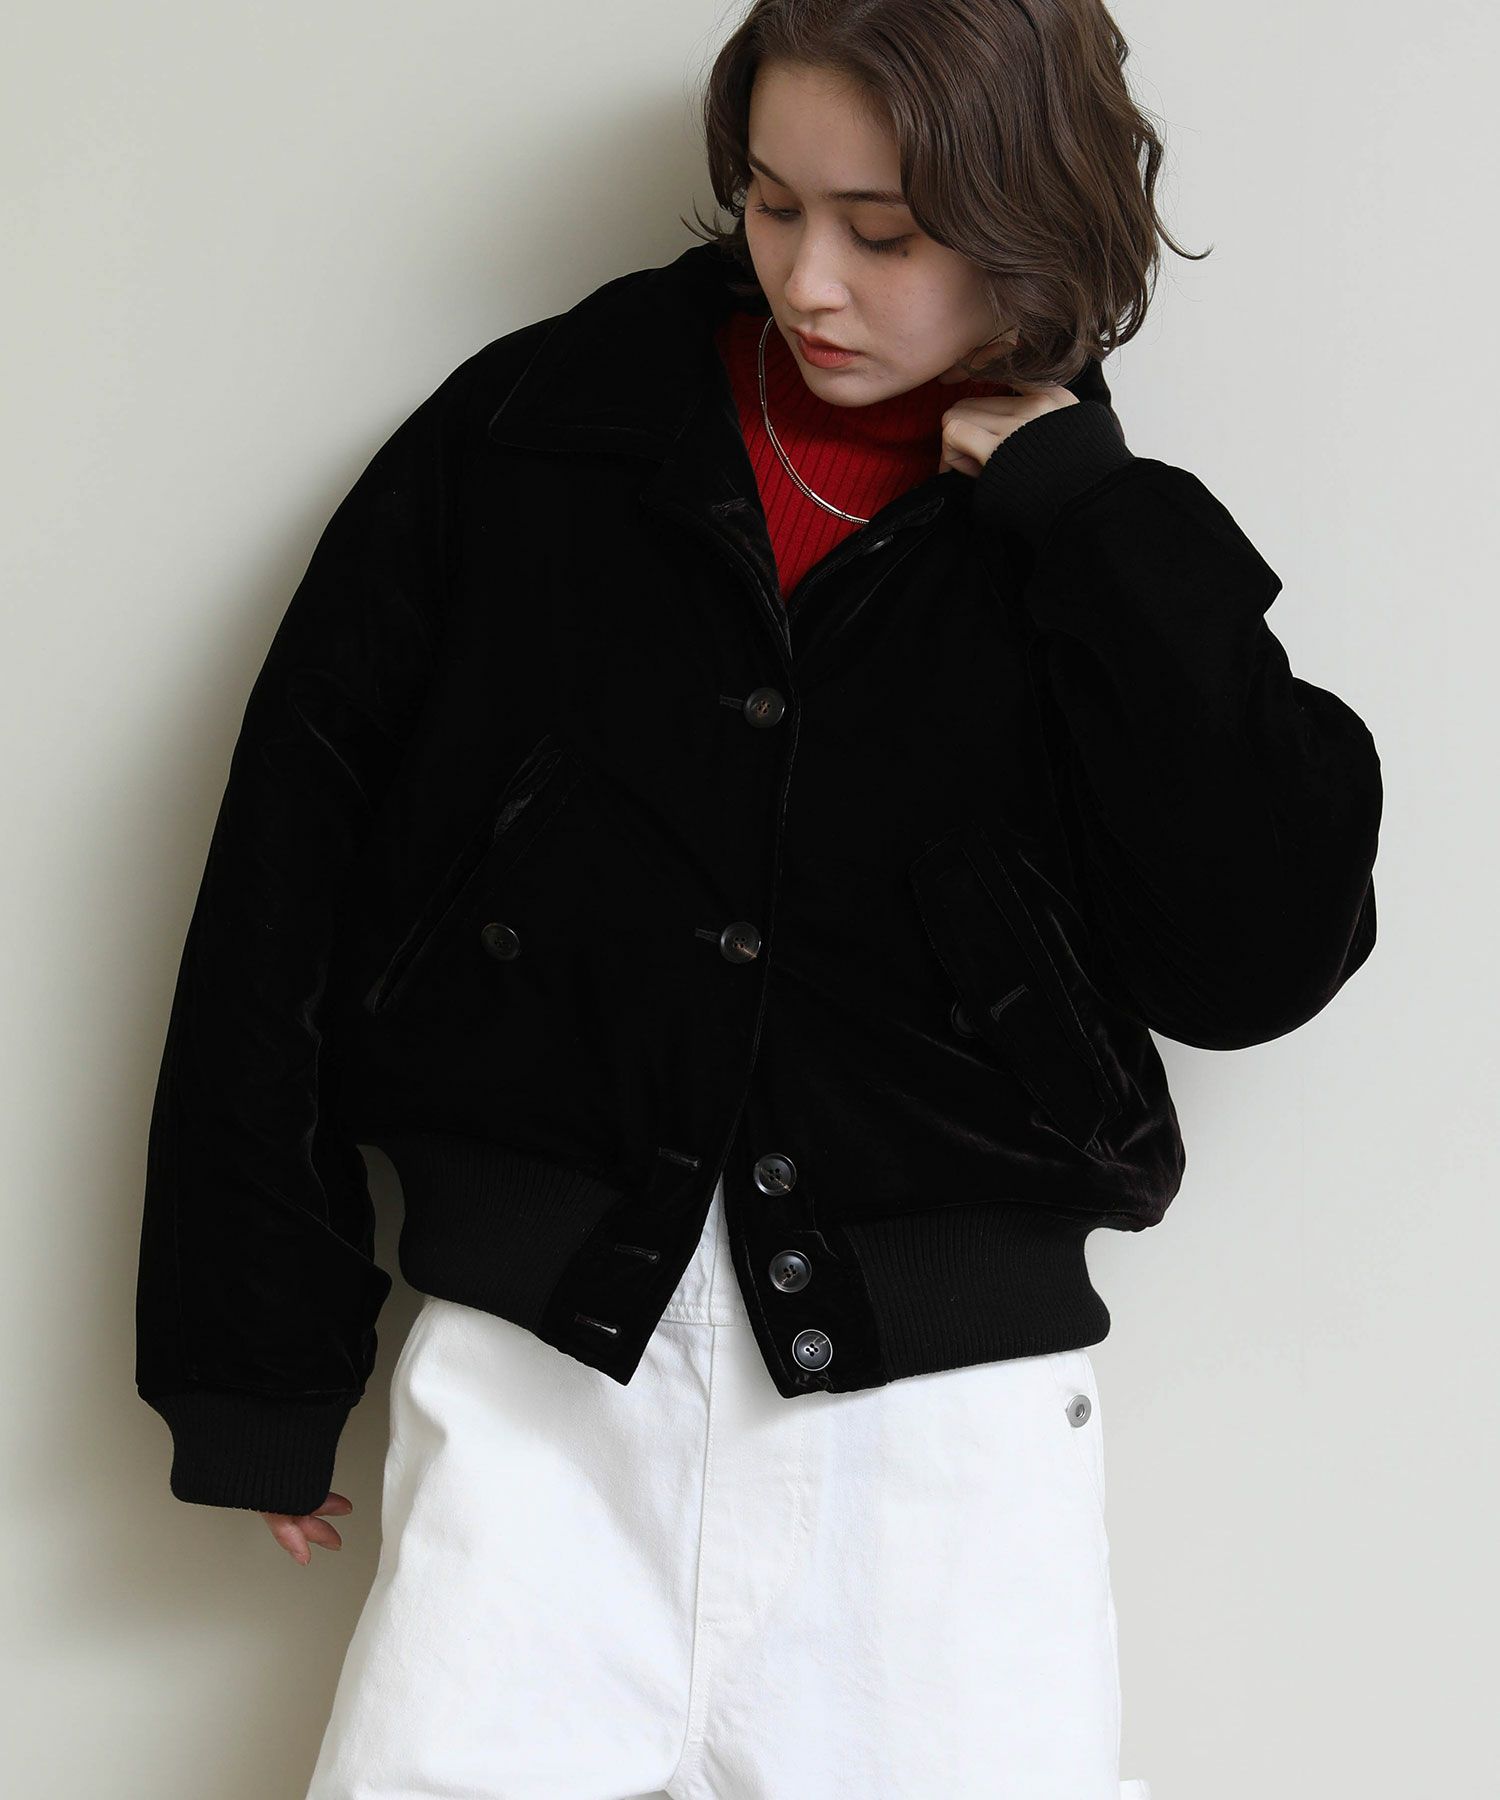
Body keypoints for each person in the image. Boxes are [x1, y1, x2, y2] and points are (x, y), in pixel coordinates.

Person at [135, 3, 1382, 1797]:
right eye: (773, 204)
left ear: (1032, 223)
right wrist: (255, 1350)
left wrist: (1098, 525)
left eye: (885, 232)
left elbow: (1260, 956)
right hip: (538, 1408)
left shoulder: (1095, 548)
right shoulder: (534, 441)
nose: (809, 280)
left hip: (940, 1468)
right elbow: (289, 864)